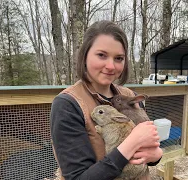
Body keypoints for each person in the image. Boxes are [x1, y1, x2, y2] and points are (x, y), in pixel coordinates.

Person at [50, 20, 163, 180]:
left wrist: (156, 155)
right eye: (101, 55)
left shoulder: (130, 96)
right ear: (85, 56)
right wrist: (131, 144)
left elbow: (149, 150)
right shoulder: (68, 105)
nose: (111, 66)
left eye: (118, 58)